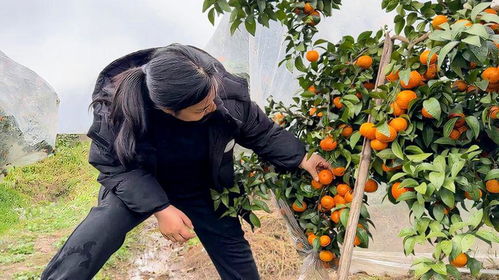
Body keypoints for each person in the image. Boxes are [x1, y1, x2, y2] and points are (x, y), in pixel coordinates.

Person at [41, 43, 333, 280]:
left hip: (202, 183)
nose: (214, 107)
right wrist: (160, 207)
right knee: (98, 232)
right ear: (168, 110)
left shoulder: (221, 92)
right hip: (141, 179)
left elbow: (260, 130)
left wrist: (301, 158)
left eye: (213, 99)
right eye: (202, 109)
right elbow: (114, 167)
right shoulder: (119, 110)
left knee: (232, 250)